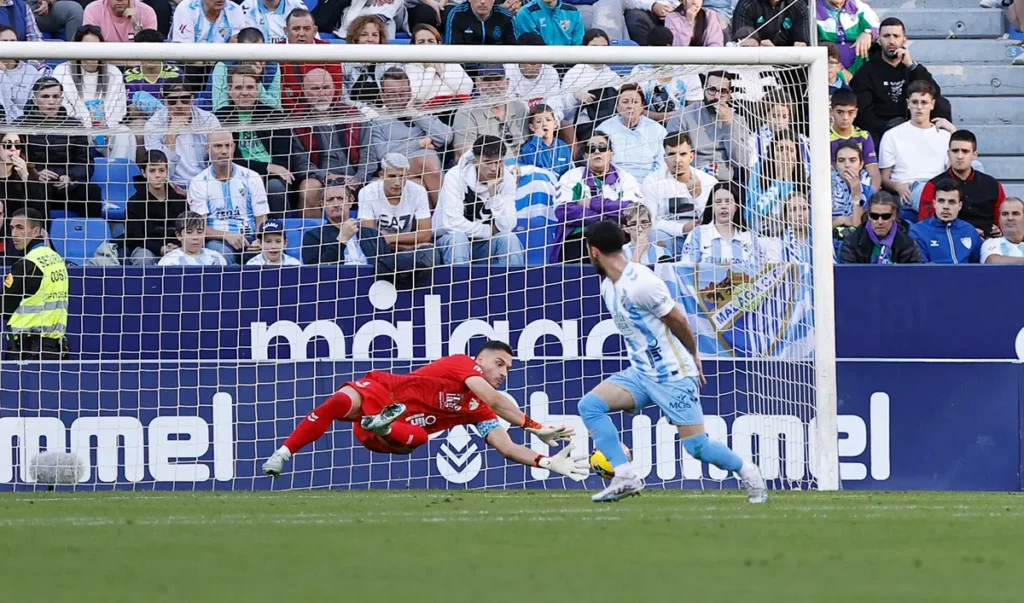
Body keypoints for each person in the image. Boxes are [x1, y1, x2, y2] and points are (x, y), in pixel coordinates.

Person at [579, 219, 767, 502]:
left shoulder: (642, 283)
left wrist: (693, 355)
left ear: (593, 251)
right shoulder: (609, 286)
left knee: (698, 448)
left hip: (673, 374)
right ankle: (625, 475)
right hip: (641, 374)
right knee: (590, 405)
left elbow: (678, 320)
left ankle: (749, 472)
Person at [261, 340, 586, 481]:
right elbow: (495, 399)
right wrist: (533, 425)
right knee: (338, 402)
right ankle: (283, 453)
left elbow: (506, 447)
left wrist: (546, 461)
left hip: (396, 435)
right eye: (499, 364)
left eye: (509, 370)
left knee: (419, 437)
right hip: (385, 391)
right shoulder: (462, 365)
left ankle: (383, 426)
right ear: (481, 360)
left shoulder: (477, 411)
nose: (503, 372)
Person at [850, 17, 949, 145]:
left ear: (904, 40)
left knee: (943, 104)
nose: (891, 41)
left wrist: (911, 66)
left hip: (915, 125)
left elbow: (933, 93)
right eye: (886, 36)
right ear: (879, 40)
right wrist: (889, 130)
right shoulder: (866, 73)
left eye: (896, 36)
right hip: (882, 132)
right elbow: (863, 114)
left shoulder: (911, 68)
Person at [434, 135, 525, 267]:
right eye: (488, 162)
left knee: (509, 239)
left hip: (484, 245)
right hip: (449, 242)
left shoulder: (507, 180)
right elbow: (452, 224)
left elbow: (507, 226)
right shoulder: (455, 176)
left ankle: (513, 286)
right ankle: (460, 286)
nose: (494, 168)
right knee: (458, 240)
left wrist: (494, 193)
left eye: (498, 162)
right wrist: (489, 231)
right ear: (476, 161)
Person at [18, 77, 102, 218]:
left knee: (92, 191)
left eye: (55, 96)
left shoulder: (74, 126)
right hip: (35, 186)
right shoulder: (20, 125)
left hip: (67, 186)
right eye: (45, 96)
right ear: (34, 99)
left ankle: (94, 237)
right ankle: (40, 237)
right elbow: (13, 157)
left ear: (61, 99)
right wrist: (35, 172)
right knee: (38, 189)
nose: (51, 101)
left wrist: (70, 176)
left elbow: (86, 162)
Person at [366, 68, 452, 204]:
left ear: (410, 92)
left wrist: (415, 114)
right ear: (382, 95)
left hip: (423, 176)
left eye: (402, 93)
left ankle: (436, 220)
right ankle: (446, 214)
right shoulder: (377, 121)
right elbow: (382, 153)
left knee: (419, 185)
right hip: (397, 171)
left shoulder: (421, 114)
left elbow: (445, 137)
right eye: (392, 94)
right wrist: (420, 143)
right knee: (426, 162)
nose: (398, 99)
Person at [213, 64, 291, 215]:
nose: (244, 93)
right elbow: (224, 160)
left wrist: (267, 172)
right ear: (229, 90)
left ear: (257, 89)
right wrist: (265, 168)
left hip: (272, 177)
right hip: (235, 175)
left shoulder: (274, 116)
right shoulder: (220, 118)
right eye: (238, 88)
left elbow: (284, 158)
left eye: (250, 87)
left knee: (274, 187)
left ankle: (276, 234)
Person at [552, 132, 640, 263]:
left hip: (617, 239)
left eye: (602, 148)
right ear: (585, 155)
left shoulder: (626, 178)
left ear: (611, 153)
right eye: (591, 149)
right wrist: (605, 219)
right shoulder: (571, 176)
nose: (597, 151)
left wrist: (592, 203)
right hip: (580, 238)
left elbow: (633, 210)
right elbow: (563, 210)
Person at [186, 130, 270, 264]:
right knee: (222, 256)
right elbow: (199, 228)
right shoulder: (198, 182)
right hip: (218, 240)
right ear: (207, 148)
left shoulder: (252, 177)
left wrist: (260, 239)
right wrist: (227, 236)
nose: (224, 151)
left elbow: (261, 217)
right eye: (218, 146)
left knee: (265, 255)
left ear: (234, 147)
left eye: (228, 146)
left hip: (250, 238)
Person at [50, 25, 133, 160]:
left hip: (107, 129)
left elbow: (118, 109)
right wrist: (89, 127)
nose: (92, 51)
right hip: (77, 128)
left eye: (96, 46)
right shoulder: (62, 71)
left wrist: (104, 128)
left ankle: (117, 175)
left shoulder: (113, 72)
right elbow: (64, 108)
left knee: (125, 134)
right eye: (86, 46)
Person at [878, 79, 955, 222]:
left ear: (932, 105)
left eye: (924, 102)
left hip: (939, 187)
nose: (919, 107)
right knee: (925, 191)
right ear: (908, 103)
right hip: (909, 188)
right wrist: (897, 186)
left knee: (976, 167)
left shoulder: (945, 136)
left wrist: (953, 131)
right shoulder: (892, 135)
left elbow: (958, 167)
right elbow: (884, 178)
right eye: (915, 102)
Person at [2, 207, 70, 360]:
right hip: (56, 348)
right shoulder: (57, 258)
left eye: (20, 228)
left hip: (28, 351)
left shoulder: (27, 264)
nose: (14, 234)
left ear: (36, 231)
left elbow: (5, 307)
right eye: (12, 228)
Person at [641, 131, 718, 257]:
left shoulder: (708, 181)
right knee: (655, 236)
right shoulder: (652, 181)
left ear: (691, 157)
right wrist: (681, 229)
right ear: (664, 157)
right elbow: (650, 223)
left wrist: (697, 196)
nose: (677, 160)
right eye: (671, 154)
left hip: (702, 235)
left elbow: (714, 221)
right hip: (669, 235)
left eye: (683, 154)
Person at [918, 129, 1005, 238]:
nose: (959, 156)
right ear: (948, 154)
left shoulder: (993, 185)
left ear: (974, 155)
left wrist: (1000, 231)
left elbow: (1003, 218)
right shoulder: (933, 186)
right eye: (955, 151)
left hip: (988, 243)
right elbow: (926, 225)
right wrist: (966, 233)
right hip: (947, 241)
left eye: (965, 151)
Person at [357, 153, 434, 275]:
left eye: (402, 177)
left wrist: (389, 238)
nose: (397, 182)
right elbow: (370, 240)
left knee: (431, 253)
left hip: (409, 254)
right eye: (392, 176)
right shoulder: (367, 193)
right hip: (383, 253)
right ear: (382, 175)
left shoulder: (418, 191)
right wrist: (408, 247)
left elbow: (425, 235)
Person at [668, 70, 751, 184]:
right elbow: (674, 156)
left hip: (724, 183)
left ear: (729, 94)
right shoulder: (682, 117)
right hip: (690, 179)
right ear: (704, 89)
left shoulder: (738, 120)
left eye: (723, 91)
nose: (716, 96)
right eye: (712, 90)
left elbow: (741, 161)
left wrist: (728, 125)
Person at [144, 80, 222, 189]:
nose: (179, 105)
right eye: (172, 101)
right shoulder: (153, 125)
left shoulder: (208, 119)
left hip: (206, 182)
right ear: (165, 102)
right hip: (170, 185)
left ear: (192, 100)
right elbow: (159, 172)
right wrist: (171, 137)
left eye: (184, 100)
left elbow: (220, 159)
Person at [451, 64, 528, 159]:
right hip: (487, 169)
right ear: (478, 84)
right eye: (487, 80)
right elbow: (463, 154)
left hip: (523, 165)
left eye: (497, 79)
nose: (493, 86)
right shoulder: (466, 112)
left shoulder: (519, 107)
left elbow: (529, 142)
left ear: (507, 82)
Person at [125, 150, 188, 266]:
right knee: (143, 258)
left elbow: (187, 229)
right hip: (146, 248)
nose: (157, 175)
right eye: (152, 171)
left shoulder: (180, 200)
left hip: (177, 246)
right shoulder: (134, 202)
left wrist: (177, 246)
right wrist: (160, 248)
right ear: (144, 173)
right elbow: (135, 238)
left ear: (167, 172)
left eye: (162, 170)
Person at [596, 83, 667, 182]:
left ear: (642, 106)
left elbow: (662, 164)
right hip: (615, 183)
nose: (630, 106)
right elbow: (599, 163)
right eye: (625, 102)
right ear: (617, 107)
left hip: (650, 184)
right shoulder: (604, 129)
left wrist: (650, 184)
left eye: (635, 102)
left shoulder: (658, 130)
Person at [680, 183, 762, 264]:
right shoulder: (697, 234)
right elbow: (687, 269)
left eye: (728, 201)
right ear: (711, 207)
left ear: (736, 206)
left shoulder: (749, 236)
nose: (723, 206)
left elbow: (760, 269)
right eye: (718, 202)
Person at [909, 179, 981, 264]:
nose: (946, 206)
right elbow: (921, 268)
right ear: (934, 203)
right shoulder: (918, 231)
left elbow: (978, 266)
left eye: (952, 202)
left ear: (960, 206)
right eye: (941, 201)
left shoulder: (969, 231)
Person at [210, 27, 283, 112]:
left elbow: (276, 106)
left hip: (262, 118)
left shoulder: (273, 66)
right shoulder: (223, 66)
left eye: (260, 51)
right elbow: (220, 107)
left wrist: (256, 81)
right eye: (250, 52)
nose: (255, 57)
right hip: (230, 119)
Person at [837, 191, 921, 264]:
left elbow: (913, 278)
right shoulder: (851, 244)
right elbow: (849, 279)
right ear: (869, 215)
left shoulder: (909, 245)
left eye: (886, 216)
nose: (880, 221)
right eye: (874, 216)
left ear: (894, 216)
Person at [745, 131, 803, 235]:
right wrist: (778, 181)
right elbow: (756, 212)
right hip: (761, 235)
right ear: (772, 153)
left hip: (792, 237)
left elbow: (795, 213)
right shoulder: (759, 170)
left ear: (797, 156)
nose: (785, 154)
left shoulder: (804, 175)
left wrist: (788, 181)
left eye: (790, 150)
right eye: (780, 149)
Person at [404, 24, 474, 110]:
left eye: (431, 41)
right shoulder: (411, 67)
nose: (427, 45)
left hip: (457, 110)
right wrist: (431, 69)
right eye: (421, 42)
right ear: (413, 46)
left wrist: (441, 71)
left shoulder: (450, 63)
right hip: (429, 114)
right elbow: (417, 96)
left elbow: (466, 89)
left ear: (439, 43)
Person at [301, 183, 370, 265]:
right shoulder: (313, 236)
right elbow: (315, 272)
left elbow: (384, 267)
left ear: (351, 201)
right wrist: (341, 241)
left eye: (340, 198)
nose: (336, 204)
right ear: (323, 205)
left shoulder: (372, 234)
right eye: (330, 200)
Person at [829, 87, 879, 191]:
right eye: (840, 112)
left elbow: (874, 174)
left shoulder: (863, 136)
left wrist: (870, 197)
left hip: (860, 188)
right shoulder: (824, 138)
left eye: (850, 112)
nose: (845, 117)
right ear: (831, 111)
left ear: (856, 112)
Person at [815, 0, 878, 76]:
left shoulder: (858, 6)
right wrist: (839, 68)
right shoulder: (813, 10)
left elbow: (878, 28)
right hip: (828, 70)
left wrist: (868, 33)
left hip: (860, 67)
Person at [0, 26, 43, 124]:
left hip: (26, 125)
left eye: (13, 41)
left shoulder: (30, 71)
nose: (9, 45)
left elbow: (34, 105)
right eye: (4, 41)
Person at [518, 103, 573, 178]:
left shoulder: (563, 147)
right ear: (532, 127)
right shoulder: (528, 148)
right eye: (539, 121)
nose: (544, 124)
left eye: (548, 120)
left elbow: (570, 172)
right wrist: (537, 139)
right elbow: (534, 166)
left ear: (555, 123)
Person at [157, 210, 229, 265]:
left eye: (200, 232)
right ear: (179, 235)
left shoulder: (216, 258)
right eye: (189, 232)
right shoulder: (169, 261)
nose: (195, 237)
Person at [831, 140, 872, 229]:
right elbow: (815, 228)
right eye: (841, 161)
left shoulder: (867, 189)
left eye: (852, 160)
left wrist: (856, 194)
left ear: (861, 164)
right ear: (836, 165)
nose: (847, 165)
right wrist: (840, 220)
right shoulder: (825, 185)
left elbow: (859, 226)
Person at [732, 0, 809, 47]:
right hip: (756, 65)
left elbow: (803, 42)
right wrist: (759, 48)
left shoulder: (798, 6)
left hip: (790, 66)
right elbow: (740, 43)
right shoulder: (747, 4)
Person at [170, 0, 245, 43]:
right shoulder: (187, 8)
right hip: (188, 64)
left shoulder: (235, 9)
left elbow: (237, 43)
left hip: (223, 64)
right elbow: (184, 50)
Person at [513, 0, 585, 46]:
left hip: (570, 63)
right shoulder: (526, 13)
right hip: (540, 64)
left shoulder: (573, 12)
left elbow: (578, 43)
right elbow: (533, 44)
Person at [83, 0, 158, 42]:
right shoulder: (93, 10)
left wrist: (136, 25)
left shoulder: (147, 11)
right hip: (105, 65)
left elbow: (149, 50)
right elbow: (90, 47)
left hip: (137, 65)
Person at [240, 0, 309, 43]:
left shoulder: (297, 5)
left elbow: (310, 38)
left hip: (290, 59)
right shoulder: (246, 8)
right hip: (258, 59)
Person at [980, 197, 1024, 264]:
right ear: (999, 219)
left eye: (1015, 213)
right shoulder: (991, 243)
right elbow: (992, 262)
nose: (1010, 218)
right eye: (1005, 214)